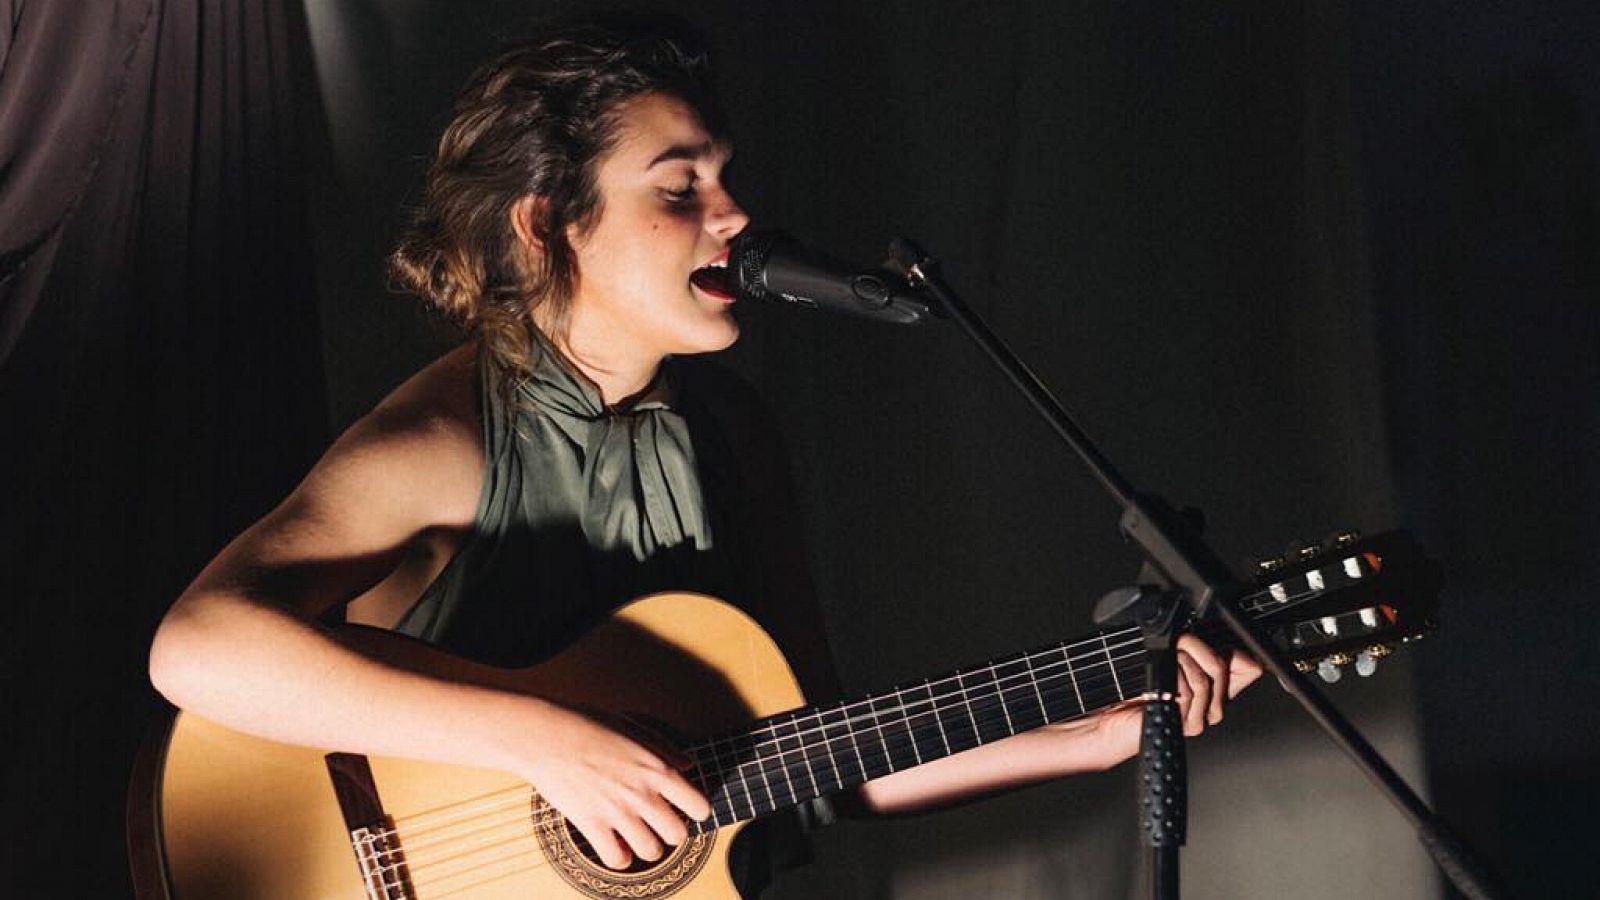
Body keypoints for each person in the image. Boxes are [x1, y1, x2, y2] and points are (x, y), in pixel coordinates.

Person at [147, 11, 1261, 892]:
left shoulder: (728, 434)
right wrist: (550, 744)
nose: (732, 215)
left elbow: (804, 753)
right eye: (679, 189)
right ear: (547, 225)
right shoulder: (448, 439)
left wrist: (1093, 736)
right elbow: (197, 648)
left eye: (723, 178)